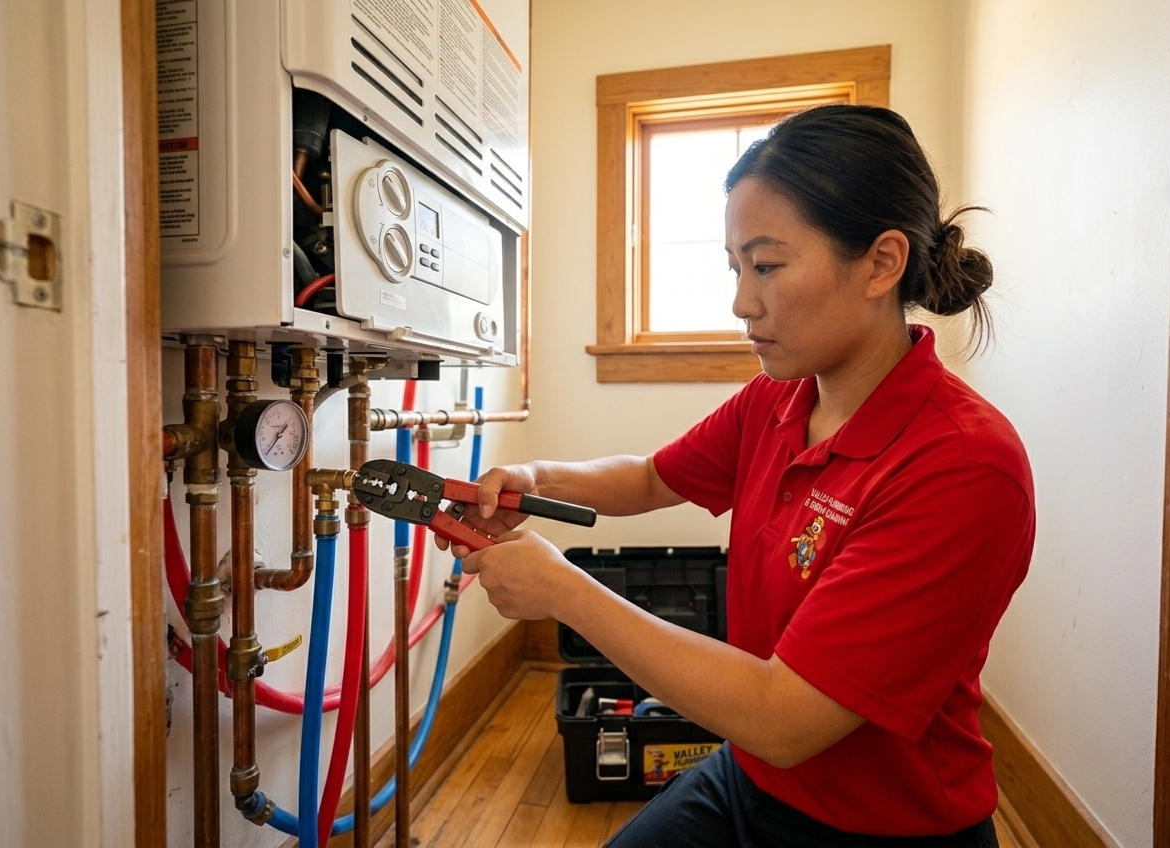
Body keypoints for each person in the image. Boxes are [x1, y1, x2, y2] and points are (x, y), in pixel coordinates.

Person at [439, 104, 1034, 848]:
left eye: (768, 265)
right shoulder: (781, 397)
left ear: (882, 262)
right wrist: (533, 477)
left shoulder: (963, 466)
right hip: (752, 775)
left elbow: (785, 718)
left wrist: (562, 589)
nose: (741, 302)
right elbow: (652, 478)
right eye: (735, 266)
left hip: (886, 825)